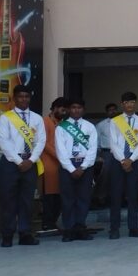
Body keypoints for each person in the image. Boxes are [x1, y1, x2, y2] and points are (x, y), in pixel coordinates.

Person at [0, 86, 46, 247]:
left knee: (27, 200)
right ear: (14, 98)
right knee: (8, 200)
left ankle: (25, 234)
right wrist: (19, 162)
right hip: (11, 164)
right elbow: (4, 143)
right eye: (20, 96)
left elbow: (41, 142)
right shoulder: (6, 118)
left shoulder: (37, 118)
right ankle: (7, 235)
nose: (23, 99)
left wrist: (30, 160)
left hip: (30, 163)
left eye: (26, 96)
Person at [55, 97, 98, 242]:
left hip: (85, 166)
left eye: (79, 107)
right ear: (68, 109)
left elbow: (93, 149)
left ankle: (80, 227)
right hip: (67, 166)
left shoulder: (90, 127)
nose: (76, 110)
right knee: (68, 199)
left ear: (83, 109)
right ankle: (69, 229)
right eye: (73, 107)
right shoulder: (61, 127)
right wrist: (71, 168)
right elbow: (60, 150)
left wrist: (83, 167)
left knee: (83, 198)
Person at [109, 91, 138, 239]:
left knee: (133, 196)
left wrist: (131, 160)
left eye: (132, 102)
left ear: (135, 103)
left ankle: (133, 227)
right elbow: (113, 143)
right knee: (116, 196)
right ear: (122, 104)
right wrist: (123, 160)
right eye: (126, 102)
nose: (130, 105)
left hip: (134, 162)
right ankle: (114, 228)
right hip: (117, 162)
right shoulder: (115, 121)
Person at [40, 96, 69, 231]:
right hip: (48, 164)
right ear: (55, 108)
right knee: (49, 197)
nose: (64, 113)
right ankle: (47, 223)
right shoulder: (45, 122)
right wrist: (61, 156)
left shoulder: (63, 123)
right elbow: (44, 143)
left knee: (59, 196)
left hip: (61, 166)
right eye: (62, 110)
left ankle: (53, 223)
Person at [92, 102, 118, 207]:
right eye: (110, 110)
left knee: (118, 176)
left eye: (114, 109)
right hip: (106, 153)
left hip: (120, 153)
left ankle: (118, 198)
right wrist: (98, 156)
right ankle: (101, 198)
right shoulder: (100, 125)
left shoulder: (122, 123)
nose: (112, 111)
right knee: (105, 175)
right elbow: (96, 142)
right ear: (107, 112)